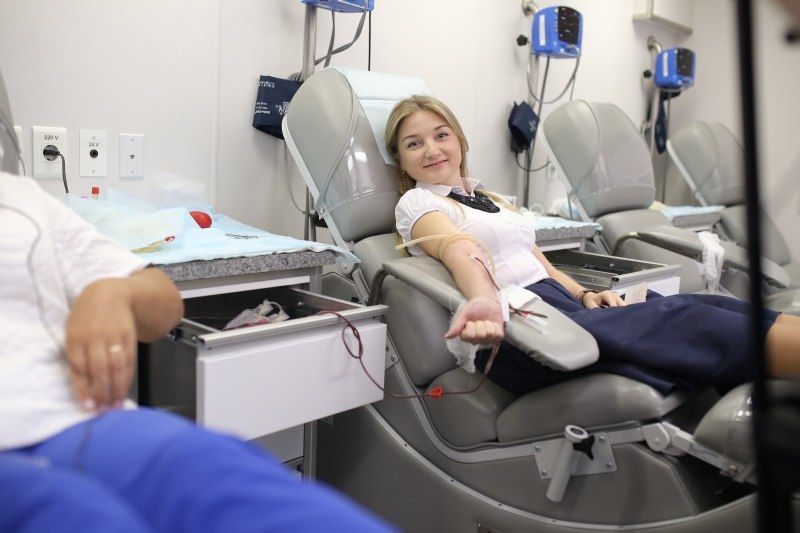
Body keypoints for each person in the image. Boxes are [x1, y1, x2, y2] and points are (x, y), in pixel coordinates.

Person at [0, 172, 393, 532]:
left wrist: (113, 291)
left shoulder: (23, 201)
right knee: (76, 513)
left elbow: (165, 302)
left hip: (90, 421)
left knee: (241, 481)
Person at [386, 95, 800, 396]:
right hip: (521, 331)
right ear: (400, 160)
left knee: (708, 303)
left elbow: (542, 265)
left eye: (441, 135)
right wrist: (483, 301)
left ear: (460, 140)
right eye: (414, 143)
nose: (432, 150)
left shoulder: (492, 200)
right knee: (687, 319)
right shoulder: (417, 202)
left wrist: (585, 294)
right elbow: (459, 248)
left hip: (555, 307)